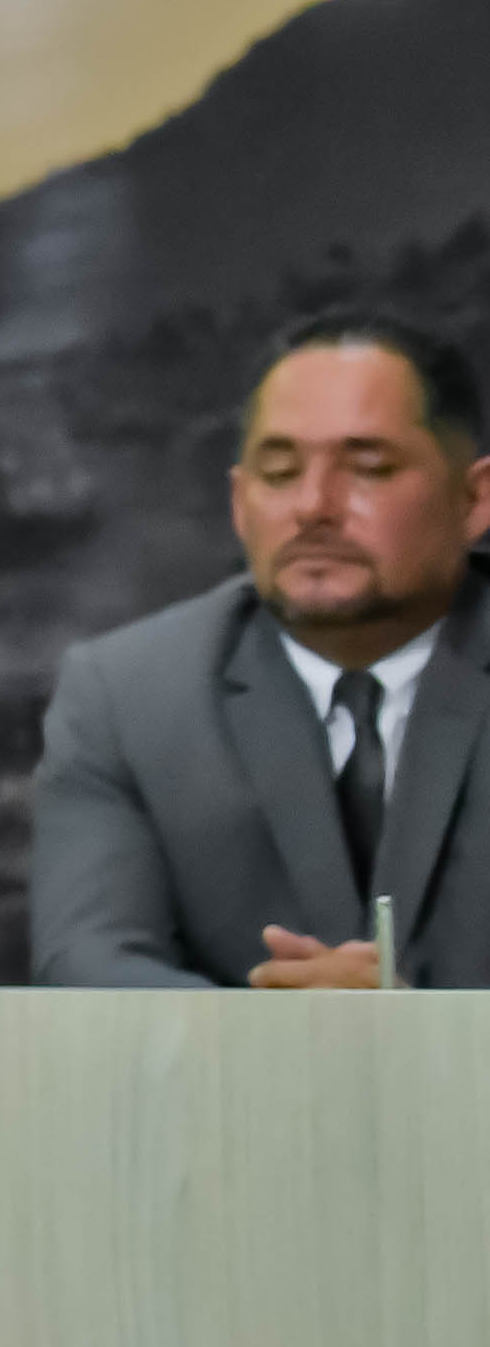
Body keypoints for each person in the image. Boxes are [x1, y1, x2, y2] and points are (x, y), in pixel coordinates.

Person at [33, 310, 490, 989]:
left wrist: (431, 1036)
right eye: (278, 473)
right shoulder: (125, 697)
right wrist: (274, 1030)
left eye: (368, 469)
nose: (313, 506)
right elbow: (86, 963)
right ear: (239, 503)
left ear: (473, 499)